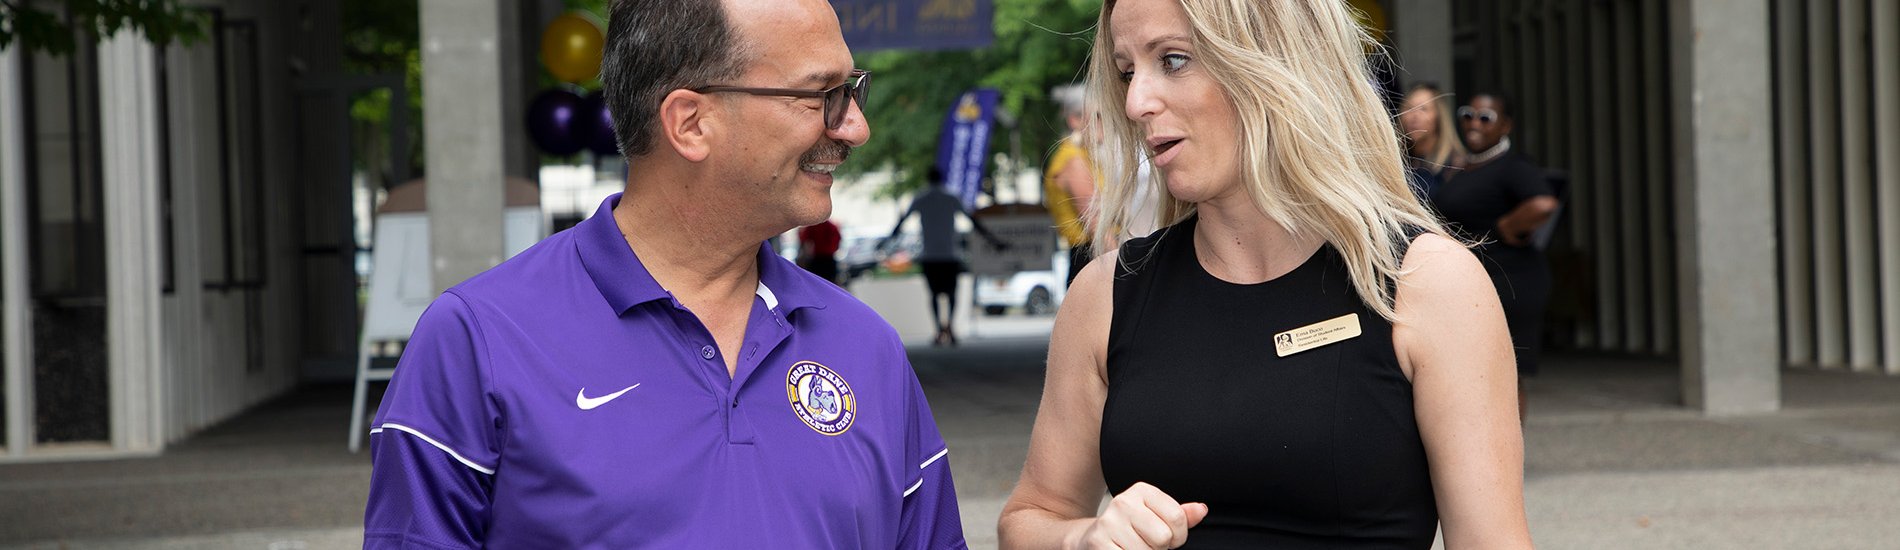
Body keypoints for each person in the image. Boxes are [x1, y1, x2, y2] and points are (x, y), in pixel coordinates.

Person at [362, 0, 966, 547]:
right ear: (690, 122)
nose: (855, 126)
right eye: (821, 95)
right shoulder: (478, 341)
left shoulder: (866, 346)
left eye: (852, 90)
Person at [998, 0, 1533, 548]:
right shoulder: (1107, 296)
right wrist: (1081, 538)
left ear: (1275, 61)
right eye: (1127, 71)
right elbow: (1030, 517)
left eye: (1174, 60)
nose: (1135, 102)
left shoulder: (1428, 284)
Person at [1433, 91, 1559, 418]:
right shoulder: (1466, 167)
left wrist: (1507, 225)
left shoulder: (1512, 166)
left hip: (1510, 281)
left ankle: (1508, 460)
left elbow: (1544, 203)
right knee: (1473, 373)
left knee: (1507, 375)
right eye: (1468, 115)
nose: (1474, 123)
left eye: (1485, 118)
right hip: (1475, 283)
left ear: (1505, 126)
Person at [886, 167, 1003, 347]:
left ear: (928, 178)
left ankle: (938, 329)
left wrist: (887, 241)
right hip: (950, 254)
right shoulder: (951, 197)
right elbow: (972, 220)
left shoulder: (921, 198)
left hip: (930, 254)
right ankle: (951, 327)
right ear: (942, 178)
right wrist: (993, 240)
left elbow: (903, 221)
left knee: (933, 294)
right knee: (951, 293)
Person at [1046, 84, 1100, 287]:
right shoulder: (1074, 161)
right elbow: (1097, 224)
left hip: (1085, 259)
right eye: (1098, 116)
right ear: (1075, 120)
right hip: (1091, 259)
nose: (1105, 124)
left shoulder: (1074, 156)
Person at [1398, 82, 1468, 204]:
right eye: (1409, 108)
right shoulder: (1398, 161)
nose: (1414, 116)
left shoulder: (1455, 165)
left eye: (1423, 109)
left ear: (1439, 118)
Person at [798, 218, 843, 284]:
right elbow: (838, 241)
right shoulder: (832, 227)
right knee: (830, 284)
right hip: (829, 260)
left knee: (816, 283)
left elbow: (803, 239)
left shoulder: (812, 227)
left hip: (817, 260)